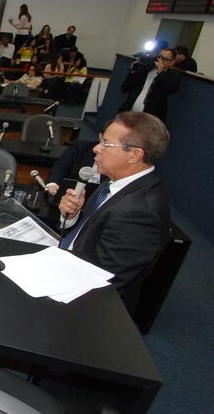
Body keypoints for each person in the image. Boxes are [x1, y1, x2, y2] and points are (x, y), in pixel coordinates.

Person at [57, 112, 170, 315]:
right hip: (72, 265)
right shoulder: (116, 182)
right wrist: (72, 216)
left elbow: (104, 278)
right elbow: (92, 232)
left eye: (106, 144)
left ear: (134, 154)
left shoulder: (139, 212)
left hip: (88, 305)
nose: (96, 148)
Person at [120, 48, 181, 122]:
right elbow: (124, 88)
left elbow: (172, 88)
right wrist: (132, 72)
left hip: (150, 120)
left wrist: (161, 73)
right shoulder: (146, 69)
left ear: (172, 62)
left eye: (164, 59)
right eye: (159, 57)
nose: (159, 60)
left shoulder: (173, 76)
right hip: (129, 113)